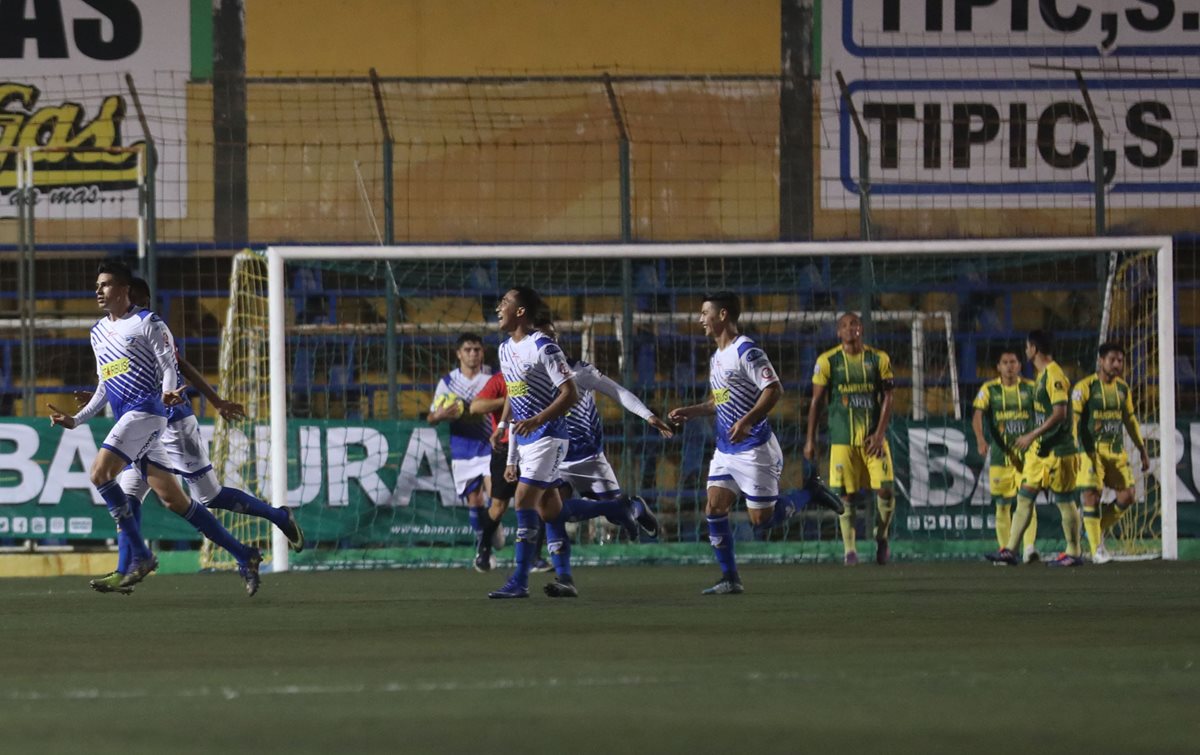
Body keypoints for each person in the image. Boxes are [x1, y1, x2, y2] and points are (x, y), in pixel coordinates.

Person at [48, 261, 263, 596]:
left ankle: (140, 558)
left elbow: (169, 364)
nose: (98, 291)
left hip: (147, 413)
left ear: (123, 289)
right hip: (129, 420)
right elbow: (104, 383)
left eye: (105, 285)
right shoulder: (97, 333)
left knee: (100, 473)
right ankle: (243, 553)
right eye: (96, 285)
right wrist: (76, 420)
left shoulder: (147, 322)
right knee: (174, 501)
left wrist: (168, 392)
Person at [83, 277, 304, 594]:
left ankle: (277, 517)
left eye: (143, 302)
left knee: (209, 496)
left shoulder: (149, 327)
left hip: (174, 422)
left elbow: (179, 365)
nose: (141, 307)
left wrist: (215, 401)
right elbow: (114, 376)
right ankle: (126, 569)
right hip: (143, 425)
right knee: (129, 495)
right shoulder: (115, 332)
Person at [487, 287, 652, 599]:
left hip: (550, 436)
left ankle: (519, 581)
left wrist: (537, 420)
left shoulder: (543, 347)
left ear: (521, 311)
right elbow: (515, 396)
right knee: (552, 511)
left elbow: (570, 393)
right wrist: (508, 438)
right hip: (529, 440)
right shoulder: (504, 349)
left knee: (523, 501)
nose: (498, 307)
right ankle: (623, 507)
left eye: (505, 302)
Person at [669, 292, 793, 595]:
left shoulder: (745, 350)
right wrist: (693, 411)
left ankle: (805, 496)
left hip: (754, 448)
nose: (700, 320)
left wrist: (748, 420)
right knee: (713, 505)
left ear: (722, 315)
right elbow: (718, 402)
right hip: (726, 449)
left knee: (761, 520)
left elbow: (774, 389)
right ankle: (730, 578)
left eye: (704, 313)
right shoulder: (716, 357)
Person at [804, 312, 896, 566]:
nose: (850, 328)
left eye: (854, 323)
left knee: (886, 489)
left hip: (873, 439)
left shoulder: (879, 359)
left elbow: (889, 397)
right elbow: (816, 402)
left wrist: (879, 434)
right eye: (844, 325)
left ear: (861, 329)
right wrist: (810, 439)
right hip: (842, 439)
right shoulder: (827, 361)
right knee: (845, 496)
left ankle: (882, 536)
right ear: (838, 332)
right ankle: (850, 550)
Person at [987, 329, 1084, 567]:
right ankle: (1010, 550)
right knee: (1024, 497)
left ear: (1034, 349)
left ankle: (1074, 551)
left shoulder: (1054, 375)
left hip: (1059, 451)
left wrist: (1031, 435)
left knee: (1064, 501)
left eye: (1027, 347)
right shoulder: (1041, 375)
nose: (1026, 350)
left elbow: (1060, 414)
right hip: (1040, 452)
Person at [1072, 342, 1150, 563]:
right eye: (1112, 360)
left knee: (1128, 496)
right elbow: (1074, 419)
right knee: (1091, 495)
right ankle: (1097, 549)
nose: (1117, 365)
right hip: (1091, 451)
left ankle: (1091, 527)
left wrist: (1142, 449)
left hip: (1116, 451)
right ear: (1101, 361)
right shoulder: (1084, 387)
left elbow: (1130, 420)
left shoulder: (1123, 389)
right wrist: (1072, 449)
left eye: (1120, 361)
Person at [469, 369, 549, 574]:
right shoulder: (501, 379)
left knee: (541, 502)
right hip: (505, 449)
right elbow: (475, 406)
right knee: (498, 507)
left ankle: (534, 557)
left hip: (535, 446)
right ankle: (484, 549)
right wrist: (505, 400)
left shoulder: (541, 376)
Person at [428, 333, 495, 568]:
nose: (473, 354)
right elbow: (431, 418)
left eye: (477, 349)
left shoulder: (492, 377)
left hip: (489, 444)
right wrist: (441, 414)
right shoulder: (448, 383)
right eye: (468, 349)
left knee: (495, 495)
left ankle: (489, 536)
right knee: (474, 500)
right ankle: (482, 542)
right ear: (458, 354)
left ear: (482, 352)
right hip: (462, 449)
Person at [972, 349, 1040, 563]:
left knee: (1027, 500)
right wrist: (981, 440)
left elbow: (1044, 415)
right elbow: (977, 416)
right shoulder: (988, 389)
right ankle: (1005, 550)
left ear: (1020, 365)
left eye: (1013, 362)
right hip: (1001, 456)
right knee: (1002, 504)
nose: (1009, 366)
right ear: (998, 367)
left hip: (1027, 456)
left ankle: (1029, 548)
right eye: (1005, 362)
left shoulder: (1031, 388)